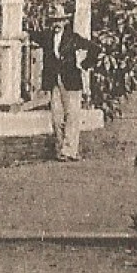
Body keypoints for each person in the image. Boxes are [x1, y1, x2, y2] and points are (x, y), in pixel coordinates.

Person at [30, 9, 94, 162]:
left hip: (71, 82)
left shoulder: (73, 38)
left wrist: (85, 64)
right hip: (55, 82)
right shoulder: (48, 37)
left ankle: (70, 150)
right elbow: (34, 36)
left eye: (59, 21)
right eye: (54, 21)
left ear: (65, 22)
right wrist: (24, 34)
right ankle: (60, 149)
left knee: (72, 116)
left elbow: (93, 48)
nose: (56, 24)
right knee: (57, 117)